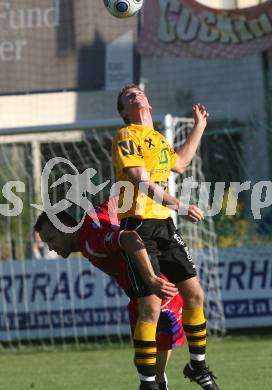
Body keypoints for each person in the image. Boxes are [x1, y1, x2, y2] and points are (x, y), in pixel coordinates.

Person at [112, 84, 220, 390]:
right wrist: (179, 205)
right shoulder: (126, 137)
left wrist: (199, 127)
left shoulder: (157, 139)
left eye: (138, 92)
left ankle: (197, 365)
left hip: (164, 227)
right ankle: (148, 383)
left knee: (195, 294)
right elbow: (139, 180)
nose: (137, 96)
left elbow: (181, 163)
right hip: (137, 228)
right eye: (129, 96)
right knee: (151, 308)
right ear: (124, 112)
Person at [34, 197, 186, 390]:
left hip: (157, 287)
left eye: (51, 239)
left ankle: (157, 382)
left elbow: (130, 238)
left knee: (152, 358)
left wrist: (151, 279)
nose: (50, 247)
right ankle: (157, 381)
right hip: (138, 293)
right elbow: (123, 196)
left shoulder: (91, 241)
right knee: (142, 359)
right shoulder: (94, 216)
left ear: (65, 227)